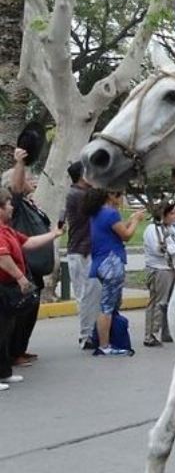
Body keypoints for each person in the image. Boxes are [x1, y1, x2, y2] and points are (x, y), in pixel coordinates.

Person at [0, 188, 63, 390]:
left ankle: (4, 372)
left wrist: (54, 234)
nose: (11, 208)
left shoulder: (7, 230)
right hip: (3, 286)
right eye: (8, 204)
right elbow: (2, 257)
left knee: (6, 330)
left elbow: (28, 242)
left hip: (8, 287)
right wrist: (20, 278)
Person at [3, 147, 55, 367]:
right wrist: (19, 163)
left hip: (35, 267)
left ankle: (19, 349)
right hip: (24, 268)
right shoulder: (14, 202)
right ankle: (14, 353)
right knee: (20, 315)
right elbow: (15, 187)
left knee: (29, 313)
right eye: (27, 177)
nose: (32, 180)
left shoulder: (29, 203)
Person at [83, 189, 145, 355]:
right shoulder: (111, 214)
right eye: (119, 194)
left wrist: (130, 220)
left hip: (100, 261)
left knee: (109, 303)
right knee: (107, 307)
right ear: (111, 195)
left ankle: (107, 339)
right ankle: (104, 345)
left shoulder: (97, 213)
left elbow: (115, 230)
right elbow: (126, 235)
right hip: (112, 261)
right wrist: (136, 221)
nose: (121, 197)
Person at [64, 161, 100, 351]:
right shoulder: (78, 195)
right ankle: (86, 335)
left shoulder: (75, 194)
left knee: (88, 294)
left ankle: (89, 332)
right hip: (81, 251)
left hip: (81, 249)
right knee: (86, 295)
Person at [142, 200, 175, 347]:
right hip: (160, 270)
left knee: (169, 303)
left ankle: (166, 332)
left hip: (172, 269)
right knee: (158, 302)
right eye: (171, 213)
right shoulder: (152, 230)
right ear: (162, 215)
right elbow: (160, 249)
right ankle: (150, 334)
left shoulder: (170, 229)